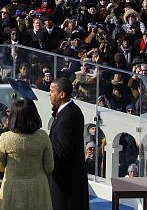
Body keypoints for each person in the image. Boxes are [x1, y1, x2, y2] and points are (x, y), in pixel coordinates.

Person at [0, 98, 53, 210]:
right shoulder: (43, 136)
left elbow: (0, 167)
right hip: (38, 188)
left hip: (13, 188)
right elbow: (49, 167)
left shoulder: (6, 138)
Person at [48, 77, 88, 210]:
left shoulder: (66, 118)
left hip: (65, 185)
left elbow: (62, 153)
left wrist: (43, 154)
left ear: (62, 94)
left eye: (52, 91)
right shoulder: (73, 110)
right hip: (72, 182)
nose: (49, 95)